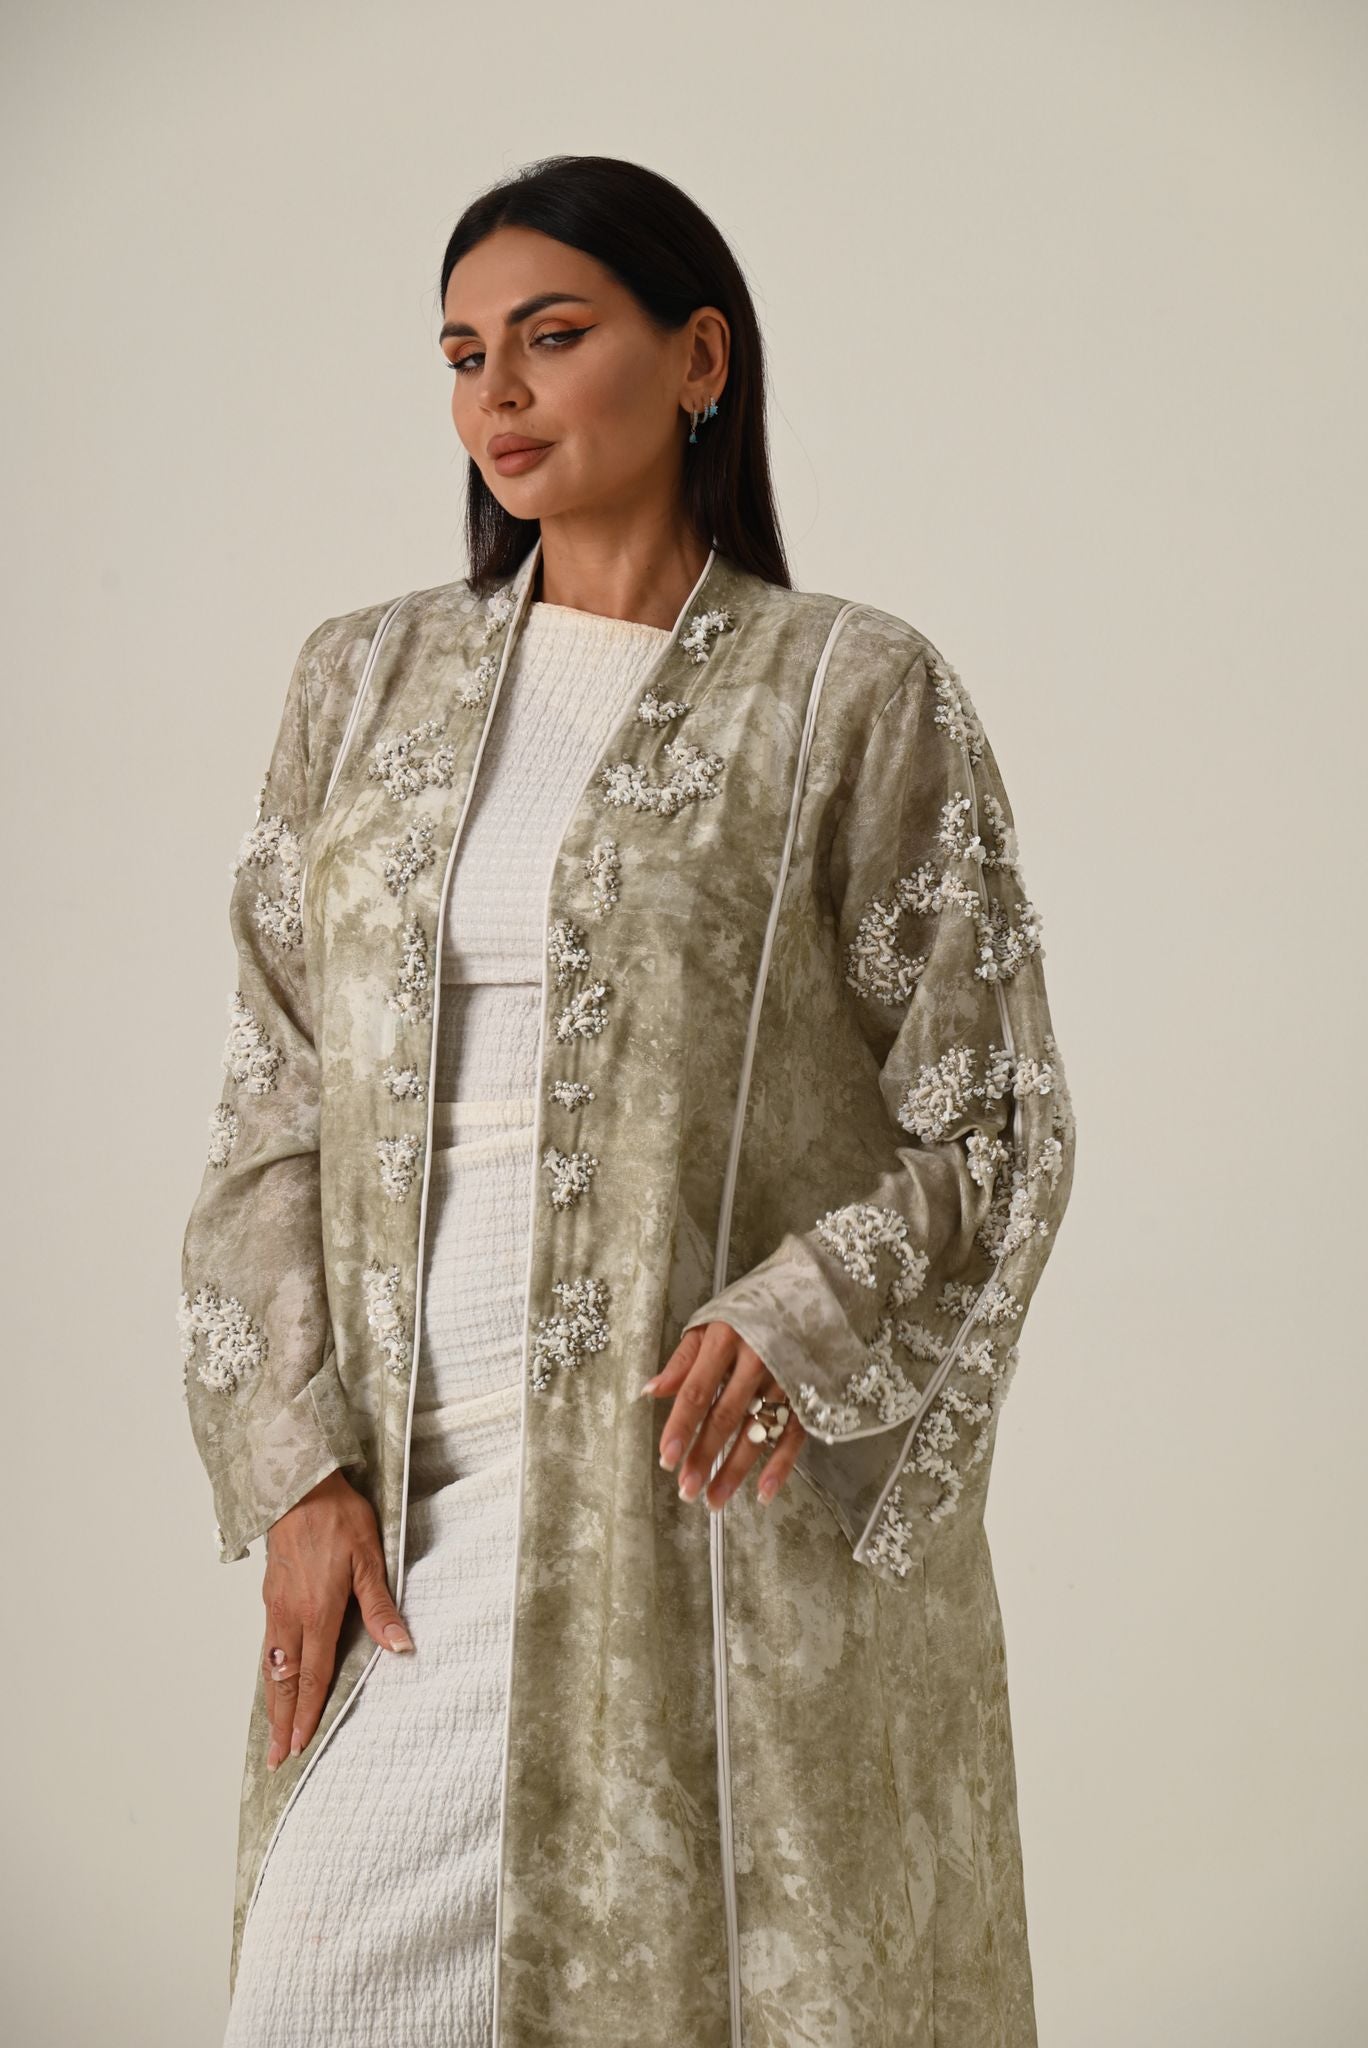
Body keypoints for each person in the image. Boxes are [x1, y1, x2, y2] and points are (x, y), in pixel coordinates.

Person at [180, 152, 1078, 2048]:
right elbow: (273, 1101)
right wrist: (299, 1471)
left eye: (552, 335)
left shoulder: (849, 695)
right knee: (311, 1993)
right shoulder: (360, 687)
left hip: (694, 1510)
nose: (496, 392)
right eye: (462, 355)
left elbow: (992, 1121)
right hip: (413, 1500)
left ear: (698, 361)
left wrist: (801, 1308)